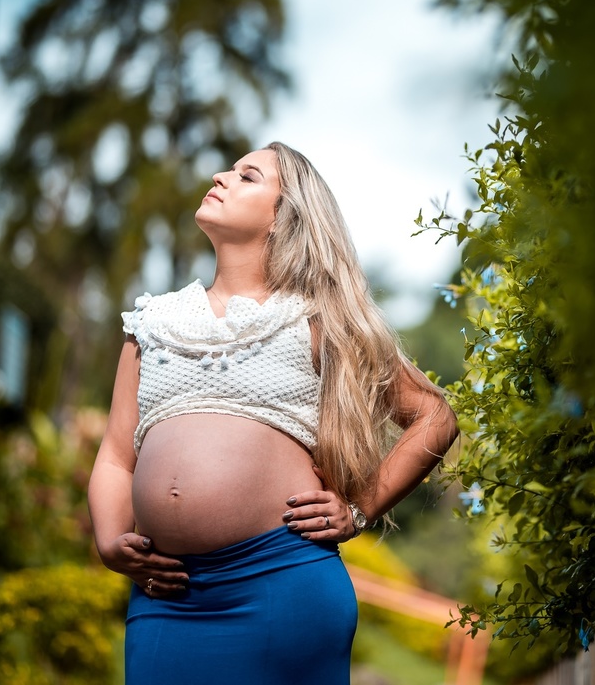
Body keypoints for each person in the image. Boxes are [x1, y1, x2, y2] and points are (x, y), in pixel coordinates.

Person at [88, 141, 460, 685]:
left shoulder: (319, 320)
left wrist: (360, 509)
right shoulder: (151, 323)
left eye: (247, 176)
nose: (220, 175)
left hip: (281, 582)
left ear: (284, 218)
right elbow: (117, 456)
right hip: (167, 595)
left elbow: (435, 416)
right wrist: (107, 538)